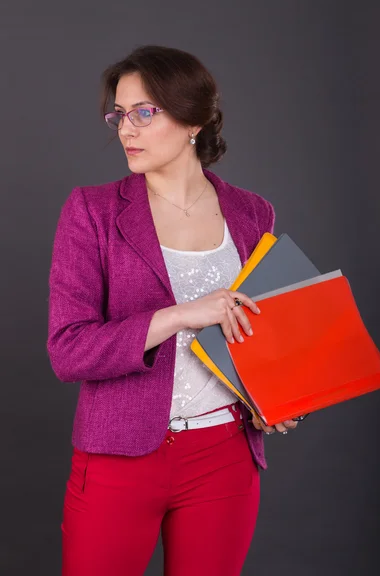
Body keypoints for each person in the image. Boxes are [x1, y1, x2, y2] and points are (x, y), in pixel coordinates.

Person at [47, 44, 299, 576]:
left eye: (144, 112)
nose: (125, 130)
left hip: (224, 456)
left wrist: (273, 396)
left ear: (193, 120)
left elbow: (258, 327)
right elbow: (69, 350)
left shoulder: (254, 213)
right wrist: (181, 315)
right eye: (119, 114)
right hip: (118, 455)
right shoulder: (91, 211)